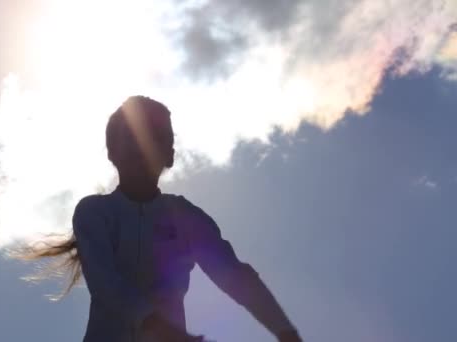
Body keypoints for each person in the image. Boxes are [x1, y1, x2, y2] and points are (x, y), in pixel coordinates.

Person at [22, 96, 302, 342]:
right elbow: (106, 284)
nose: (142, 147)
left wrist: (286, 332)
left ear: (169, 155)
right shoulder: (94, 212)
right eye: (131, 137)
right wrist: (164, 330)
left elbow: (233, 275)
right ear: (112, 153)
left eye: (155, 138)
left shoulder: (187, 217)